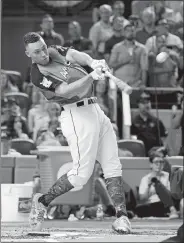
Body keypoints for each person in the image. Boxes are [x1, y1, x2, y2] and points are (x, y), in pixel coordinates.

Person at [23, 32, 131, 234]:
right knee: (82, 174)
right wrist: (92, 76)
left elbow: (76, 55)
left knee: (112, 164)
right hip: (76, 115)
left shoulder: (54, 51)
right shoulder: (38, 75)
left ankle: (121, 217)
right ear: (28, 53)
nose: (43, 53)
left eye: (44, 47)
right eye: (37, 51)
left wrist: (93, 61)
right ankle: (43, 201)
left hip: (95, 110)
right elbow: (65, 91)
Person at [135, 151, 178, 218]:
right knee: (139, 208)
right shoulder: (145, 179)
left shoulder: (167, 176)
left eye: (161, 162)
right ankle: (164, 214)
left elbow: (172, 194)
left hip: (166, 203)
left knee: (157, 184)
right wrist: (148, 186)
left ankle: (171, 210)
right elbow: (142, 199)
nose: (159, 164)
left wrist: (160, 189)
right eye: (156, 162)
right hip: (152, 204)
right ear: (151, 164)